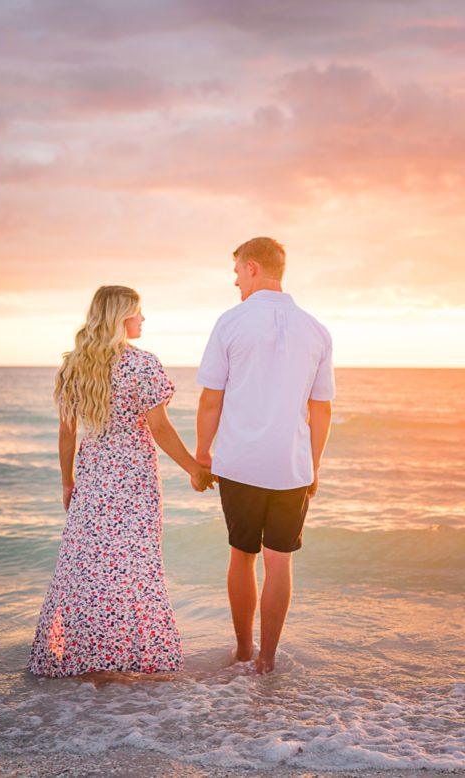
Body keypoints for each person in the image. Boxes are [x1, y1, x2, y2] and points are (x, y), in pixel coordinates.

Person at [29, 286, 212, 677]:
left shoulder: (73, 365)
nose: (143, 320)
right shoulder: (144, 364)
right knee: (132, 566)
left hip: (93, 480)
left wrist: (68, 482)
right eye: (138, 313)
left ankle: (88, 660)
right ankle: (127, 658)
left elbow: (66, 434)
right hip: (133, 482)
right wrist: (194, 468)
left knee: (88, 566)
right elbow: (159, 428)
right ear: (121, 317)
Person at [195, 236, 334, 674]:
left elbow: (210, 400)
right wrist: (314, 465)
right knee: (280, 560)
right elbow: (321, 408)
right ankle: (268, 660)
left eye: (237, 269)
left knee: (242, 555)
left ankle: (242, 650)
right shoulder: (315, 329)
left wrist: (202, 456)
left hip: (239, 462)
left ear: (253, 267)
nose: (234, 279)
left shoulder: (231, 322)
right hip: (290, 466)